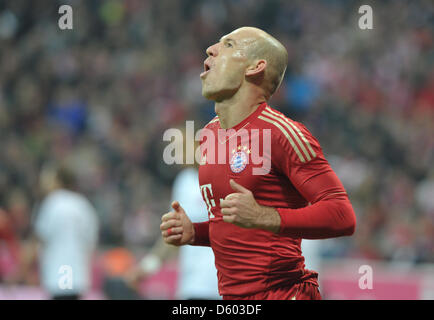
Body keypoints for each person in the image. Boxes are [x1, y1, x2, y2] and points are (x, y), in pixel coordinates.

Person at [160, 27, 356, 300]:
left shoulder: (282, 133)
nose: (211, 50)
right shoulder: (211, 136)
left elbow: (342, 216)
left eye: (227, 45)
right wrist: (195, 233)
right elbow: (234, 226)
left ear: (255, 67)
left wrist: (266, 216)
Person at [126, 133, 220, 299]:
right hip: (195, 284)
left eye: (183, 148)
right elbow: (173, 234)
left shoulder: (225, 178)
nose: (179, 155)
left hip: (227, 284)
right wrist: (147, 267)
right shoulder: (185, 182)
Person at [22, 164, 99, 299]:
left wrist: (25, 267)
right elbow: (91, 242)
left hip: (60, 271)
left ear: (58, 181)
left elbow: (40, 236)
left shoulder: (53, 202)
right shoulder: (83, 205)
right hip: (78, 272)